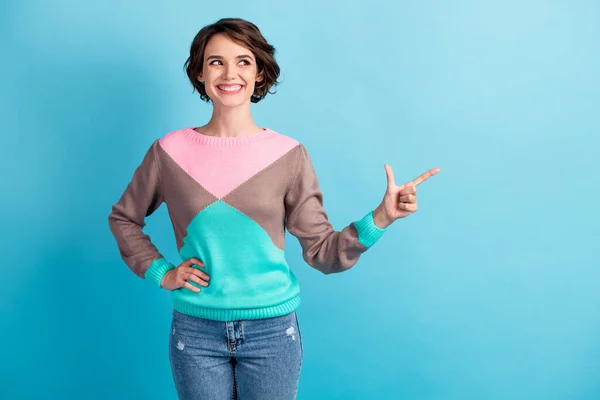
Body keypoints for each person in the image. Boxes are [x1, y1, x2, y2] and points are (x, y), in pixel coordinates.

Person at [107, 17, 439, 400]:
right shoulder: (169, 152)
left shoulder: (288, 155)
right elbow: (124, 218)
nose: (230, 72)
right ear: (199, 73)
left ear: (260, 72)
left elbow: (321, 252)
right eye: (216, 61)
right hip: (195, 331)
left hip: (272, 334)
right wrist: (162, 272)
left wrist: (381, 218)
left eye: (244, 61)